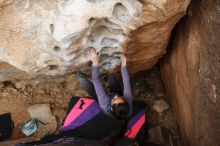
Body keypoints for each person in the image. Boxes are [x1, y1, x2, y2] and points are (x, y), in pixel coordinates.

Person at [77, 48, 133, 120]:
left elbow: (96, 81)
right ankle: (106, 77)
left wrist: (95, 63)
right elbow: (126, 84)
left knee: (83, 81)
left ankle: (79, 75)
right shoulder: (127, 108)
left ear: (111, 108)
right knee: (111, 77)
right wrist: (123, 66)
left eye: (114, 99)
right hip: (113, 97)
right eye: (121, 98)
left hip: (102, 102)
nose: (116, 96)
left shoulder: (104, 104)